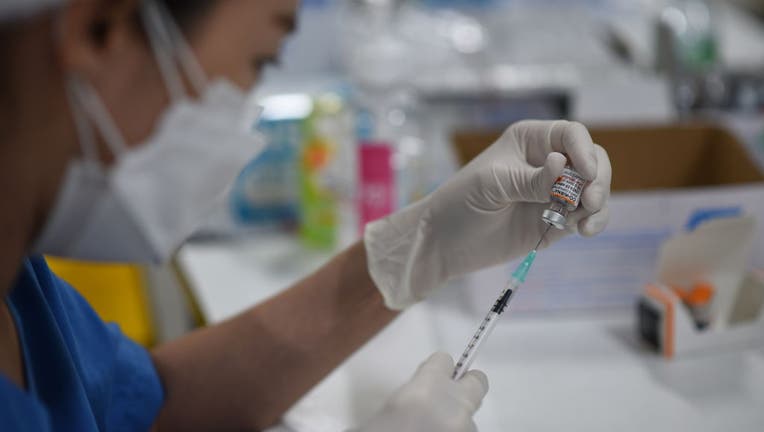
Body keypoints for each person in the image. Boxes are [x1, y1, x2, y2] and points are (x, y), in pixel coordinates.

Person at [0, 0, 612, 430]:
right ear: (100, 27)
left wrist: (416, 248)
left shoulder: (20, 292)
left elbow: (156, 407)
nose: (246, 107)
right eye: (261, 59)